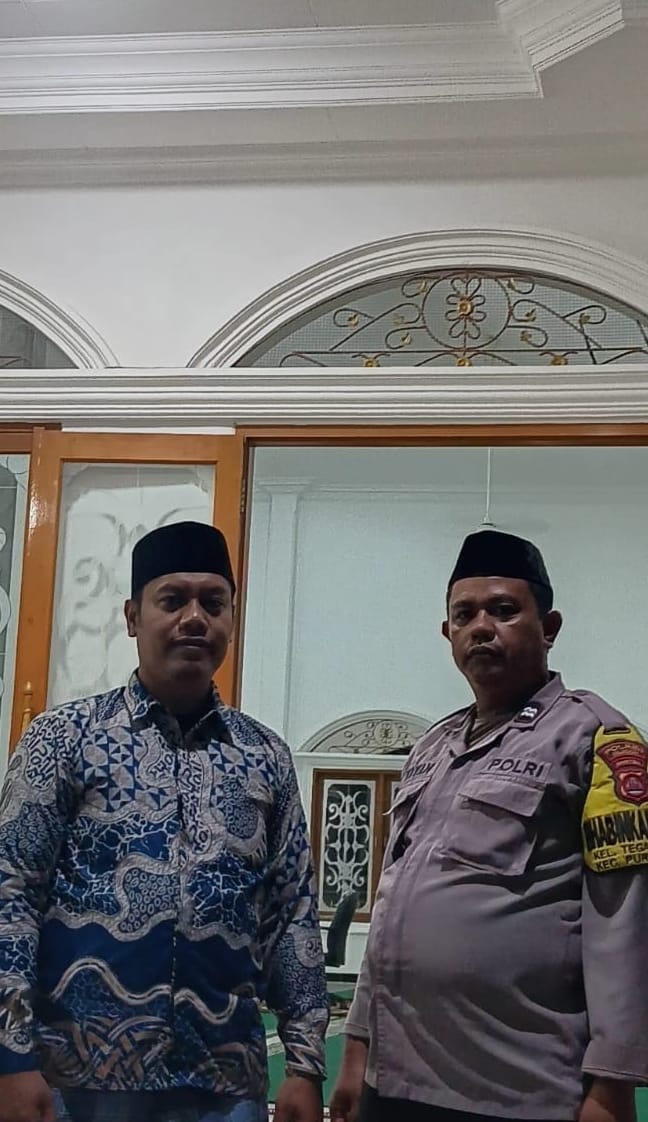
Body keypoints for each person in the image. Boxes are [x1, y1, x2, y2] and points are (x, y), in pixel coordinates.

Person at [0, 521, 328, 1122]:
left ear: (232, 619)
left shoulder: (265, 756)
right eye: (173, 600)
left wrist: (305, 1065)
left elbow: (291, 914)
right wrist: (9, 1057)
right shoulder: (64, 739)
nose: (194, 618)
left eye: (213, 603)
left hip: (225, 1085)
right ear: (133, 617)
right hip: (78, 1082)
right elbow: (10, 894)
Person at [332, 529, 648, 1122]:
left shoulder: (595, 738)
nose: (482, 627)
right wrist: (356, 1047)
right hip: (394, 1082)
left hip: (515, 1090)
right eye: (465, 614)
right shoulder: (432, 747)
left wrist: (613, 1085)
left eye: (504, 610)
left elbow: (623, 919)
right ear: (447, 632)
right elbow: (391, 910)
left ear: (548, 627)